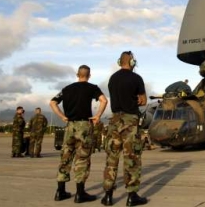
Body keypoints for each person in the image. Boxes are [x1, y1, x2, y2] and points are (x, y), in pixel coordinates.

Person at [50, 65, 108, 203]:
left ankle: (60, 191)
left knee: (65, 157)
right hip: (84, 125)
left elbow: (52, 102)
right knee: (82, 158)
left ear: (77, 74)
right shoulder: (92, 88)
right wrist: (98, 115)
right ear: (89, 75)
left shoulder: (67, 88)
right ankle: (80, 193)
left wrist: (63, 116)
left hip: (70, 125)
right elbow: (104, 100)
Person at [101, 51, 148, 206]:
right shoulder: (136, 78)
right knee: (132, 159)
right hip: (130, 120)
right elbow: (143, 101)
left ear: (119, 61)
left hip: (114, 120)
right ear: (132, 62)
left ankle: (108, 195)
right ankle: (131, 196)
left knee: (111, 159)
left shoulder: (112, 79)